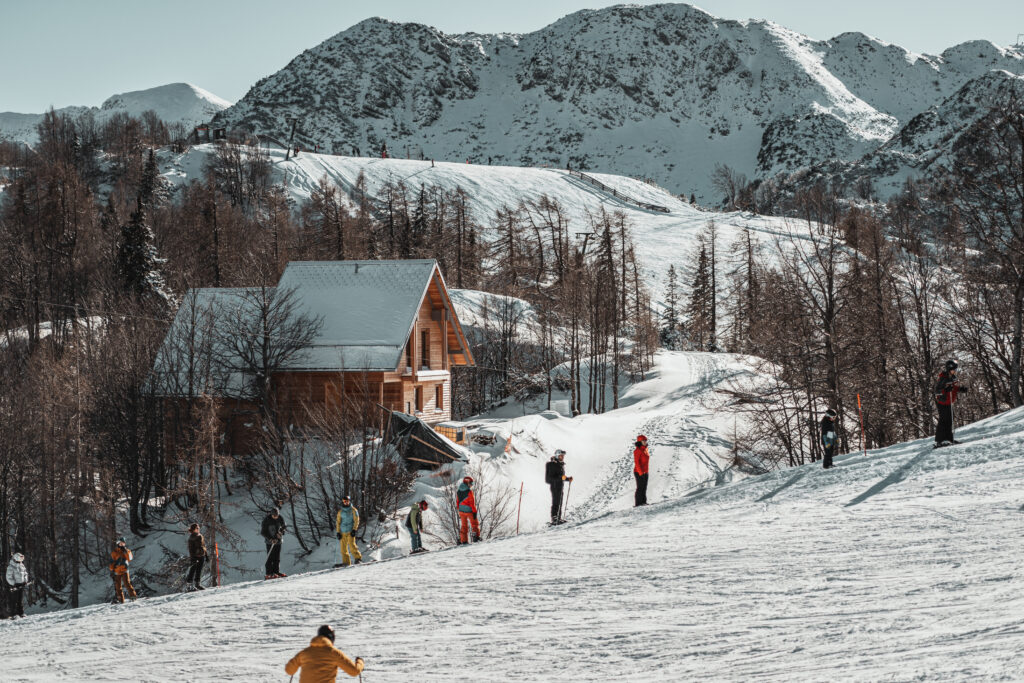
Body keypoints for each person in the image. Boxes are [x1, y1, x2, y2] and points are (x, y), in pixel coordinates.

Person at [285, 624, 365, 682]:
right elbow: (354, 671)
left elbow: (289, 670)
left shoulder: (304, 653)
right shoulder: (334, 653)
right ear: (332, 638)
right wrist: (360, 662)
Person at [935, 360, 967, 447]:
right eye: (953, 369)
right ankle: (940, 440)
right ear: (949, 369)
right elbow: (937, 391)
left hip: (949, 402)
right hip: (942, 402)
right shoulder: (943, 378)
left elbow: (953, 388)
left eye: (955, 369)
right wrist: (945, 390)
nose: (955, 371)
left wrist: (960, 389)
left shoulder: (952, 377)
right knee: (943, 421)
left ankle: (949, 439)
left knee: (950, 420)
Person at [544, 450, 573, 524]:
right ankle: (554, 518)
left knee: (560, 502)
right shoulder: (551, 464)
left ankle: (558, 518)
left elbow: (561, 477)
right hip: (554, 486)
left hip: (560, 486)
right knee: (556, 502)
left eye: (563, 456)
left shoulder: (560, 464)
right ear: (557, 456)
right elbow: (548, 479)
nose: (562, 457)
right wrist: (561, 478)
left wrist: (568, 479)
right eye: (561, 456)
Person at [335, 496, 362, 567]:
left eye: (347, 501)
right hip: (343, 532)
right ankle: (346, 562)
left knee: (352, 546)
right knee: (343, 549)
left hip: (350, 531)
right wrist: (338, 532)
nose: (346, 502)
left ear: (349, 501)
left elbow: (356, 520)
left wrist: (354, 529)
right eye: (344, 501)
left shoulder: (353, 510)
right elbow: (338, 522)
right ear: (343, 502)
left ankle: (358, 558)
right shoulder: (340, 512)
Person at [261, 507, 287, 579]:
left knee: (277, 558)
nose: (276, 517)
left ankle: (276, 572)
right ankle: (269, 573)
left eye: (277, 515)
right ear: (271, 514)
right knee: (270, 557)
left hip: (278, 541)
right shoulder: (266, 520)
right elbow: (263, 532)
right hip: (270, 542)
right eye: (274, 515)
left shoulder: (280, 518)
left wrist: (281, 532)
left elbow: (284, 526)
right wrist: (271, 539)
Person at [109, 538, 137, 603]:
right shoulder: (114, 552)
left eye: (123, 543)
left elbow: (130, 558)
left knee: (127, 583)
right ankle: (120, 600)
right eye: (121, 543)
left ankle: (133, 596)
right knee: (118, 586)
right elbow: (111, 562)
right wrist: (112, 569)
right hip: (117, 571)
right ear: (118, 544)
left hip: (125, 570)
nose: (122, 545)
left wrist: (125, 551)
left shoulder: (127, 550)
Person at [457, 476, 480, 544]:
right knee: (474, 524)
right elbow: (472, 503)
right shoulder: (469, 492)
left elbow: (457, 502)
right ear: (467, 482)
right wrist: (474, 512)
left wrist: (459, 510)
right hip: (469, 511)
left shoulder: (458, 491)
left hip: (461, 511)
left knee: (464, 526)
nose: (472, 485)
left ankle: (464, 540)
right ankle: (476, 537)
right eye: (471, 483)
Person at [5, 552, 28, 618]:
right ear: (16, 558)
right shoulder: (11, 567)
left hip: (21, 585)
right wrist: (13, 584)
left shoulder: (22, 565)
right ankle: (13, 614)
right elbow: (8, 577)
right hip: (14, 586)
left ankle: (21, 613)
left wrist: (25, 581)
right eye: (20, 558)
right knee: (14, 600)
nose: (21, 559)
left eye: (22, 558)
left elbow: (25, 574)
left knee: (20, 600)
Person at [186, 523, 208, 590]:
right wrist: (193, 557)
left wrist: (206, 555)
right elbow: (190, 549)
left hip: (201, 555)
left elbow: (203, 546)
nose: (198, 529)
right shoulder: (191, 538)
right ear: (193, 529)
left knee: (199, 570)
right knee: (192, 570)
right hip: (195, 556)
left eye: (199, 528)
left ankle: (197, 584)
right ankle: (189, 586)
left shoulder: (200, 535)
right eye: (197, 528)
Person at [633, 435, 650, 506]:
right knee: (640, 488)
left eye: (645, 440)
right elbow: (637, 463)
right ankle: (638, 504)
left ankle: (643, 502)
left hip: (645, 472)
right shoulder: (637, 451)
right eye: (643, 441)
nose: (645, 442)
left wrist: (646, 472)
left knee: (644, 487)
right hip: (638, 472)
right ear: (640, 442)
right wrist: (640, 473)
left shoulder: (645, 449)